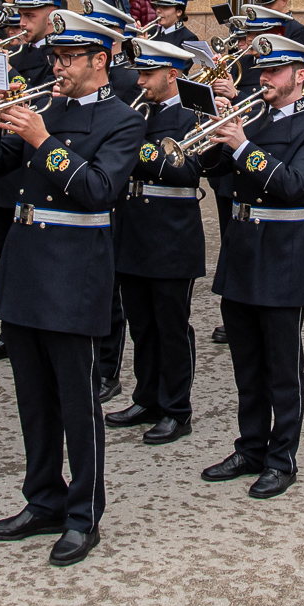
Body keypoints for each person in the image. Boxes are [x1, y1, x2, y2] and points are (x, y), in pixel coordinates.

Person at [0, 11, 140, 566]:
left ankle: (82, 514)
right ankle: (41, 498)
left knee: (77, 401)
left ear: (101, 61)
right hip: (25, 267)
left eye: (70, 58)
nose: (59, 66)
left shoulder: (123, 119)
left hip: (75, 271)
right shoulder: (42, 107)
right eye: (56, 57)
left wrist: (42, 139)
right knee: (34, 400)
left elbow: (97, 191)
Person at [197, 35, 304, 498]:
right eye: (262, 71)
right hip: (241, 250)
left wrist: (241, 146)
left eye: (274, 72)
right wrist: (217, 133)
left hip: (283, 253)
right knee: (246, 364)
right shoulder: (250, 121)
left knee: (282, 365)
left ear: (299, 76)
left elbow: (295, 186)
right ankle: (250, 447)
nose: (264, 79)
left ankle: (282, 458)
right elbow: (214, 169)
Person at [105, 40, 208, 446]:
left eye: (148, 74)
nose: (140, 80)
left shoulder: (195, 111)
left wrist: (134, 147)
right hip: (133, 231)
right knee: (142, 324)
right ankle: (146, 397)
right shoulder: (137, 109)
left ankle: (176, 408)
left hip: (172, 235)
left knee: (171, 326)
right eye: (139, 73)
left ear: (173, 75)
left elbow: (188, 170)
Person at [0, 0, 67, 354]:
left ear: (52, 16)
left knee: (29, 256)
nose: (23, 23)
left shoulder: (56, 57)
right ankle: (9, 332)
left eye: (30, 16)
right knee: (6, 251)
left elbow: (46, 106)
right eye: (21, 15)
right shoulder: (16, 51)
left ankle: (27, 332)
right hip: (6, 158)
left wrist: (9, 74)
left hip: (35, 161)